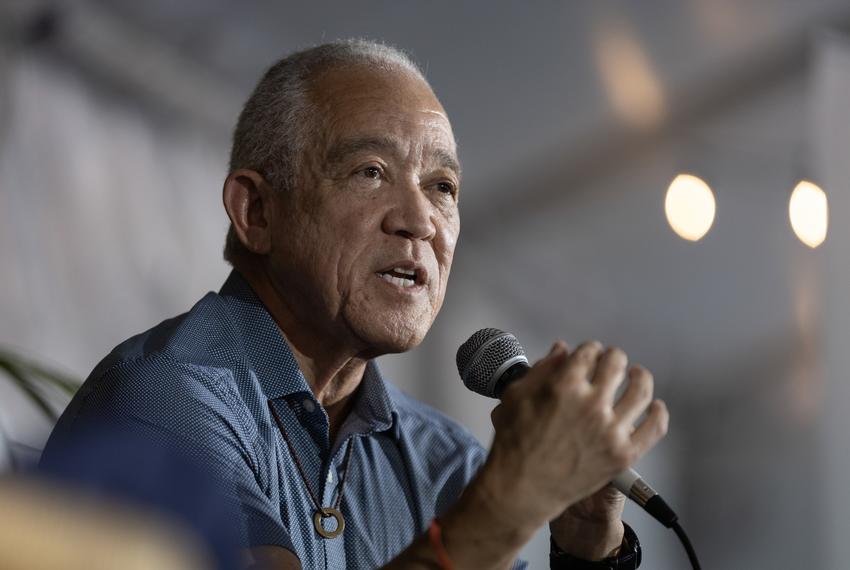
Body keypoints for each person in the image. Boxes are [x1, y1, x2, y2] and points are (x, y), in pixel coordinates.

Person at [43, 40, 668, 569]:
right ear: (257, 212)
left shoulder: (444, 462)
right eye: (370, 171)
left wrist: (589, 548)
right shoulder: (162, 401)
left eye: (442, 187)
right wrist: (508, 506)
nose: (420, 220)